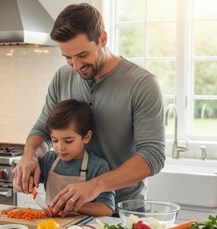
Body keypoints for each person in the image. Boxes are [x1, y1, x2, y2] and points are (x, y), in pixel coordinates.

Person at [12, 3, 165, 217]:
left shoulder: (142, 84)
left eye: (82, 55)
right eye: (67, 57)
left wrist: (96, 185)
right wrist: (29, 156)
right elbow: (42, 130)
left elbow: (153, 156)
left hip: (121, 211)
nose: (75, 65)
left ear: (102, 39)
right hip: (67, 212)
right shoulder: (62, 77)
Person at [37, 99, 114, 216]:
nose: (60, 147)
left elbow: (106, 209)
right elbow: (30, 178)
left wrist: (71, 206)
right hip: (50, 227)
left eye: (68, 141)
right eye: (55, 140)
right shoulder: (48, 160)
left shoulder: (97, 166)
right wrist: (26, 177)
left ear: (86, 137)